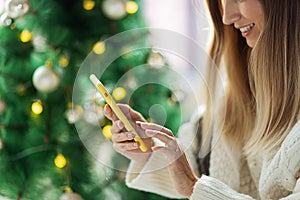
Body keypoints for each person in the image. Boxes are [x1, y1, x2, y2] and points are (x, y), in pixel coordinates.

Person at [103, 0, 300, 199]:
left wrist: (193, 186)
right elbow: (189, 165)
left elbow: (191, 180)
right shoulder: (228, 107)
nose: (227, 17)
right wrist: (146, 149)